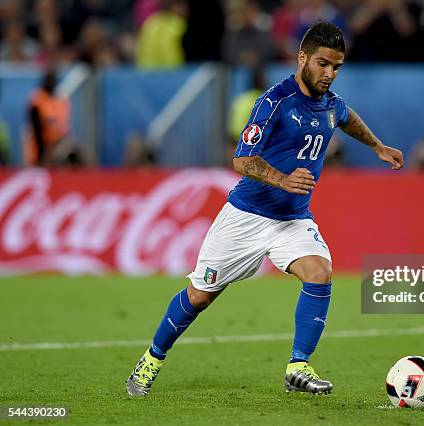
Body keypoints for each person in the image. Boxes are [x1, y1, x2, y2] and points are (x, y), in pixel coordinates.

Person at [125, 22, 404, 397]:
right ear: (302, 57)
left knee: (319, 273)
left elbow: (346, 117)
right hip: (246, 216)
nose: (329, 74)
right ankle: (150, 360)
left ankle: (298, 366)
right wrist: (282, 179)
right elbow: (241, 160)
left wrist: (377, 146)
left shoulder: (330, 104)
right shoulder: (275, 102)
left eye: (336, 67)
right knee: (200, 296)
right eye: (323, 64)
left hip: (292, 220)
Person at [23, 69, 71, 166]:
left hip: (57, 147)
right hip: (41, 148)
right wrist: (42, 153)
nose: (51, 83)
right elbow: (36, 128)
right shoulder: (37, 99)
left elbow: (63, 127)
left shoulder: (60, 100)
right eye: (49, 80)